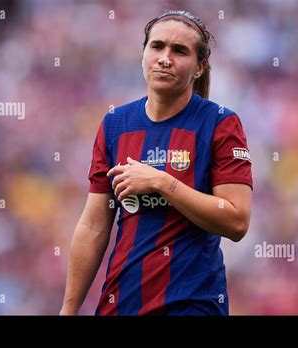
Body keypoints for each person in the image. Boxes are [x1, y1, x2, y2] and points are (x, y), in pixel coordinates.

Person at [60, 10, 253, 316]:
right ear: (143, 55)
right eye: (157, 46)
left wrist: (161, 182)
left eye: (180, 51)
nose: (165, 58)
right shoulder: (115, 124)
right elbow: (94, 225)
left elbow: (236, 220)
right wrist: (69, 310)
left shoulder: (220, 123)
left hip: (191, 304)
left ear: (200, 67)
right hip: (121, 301)